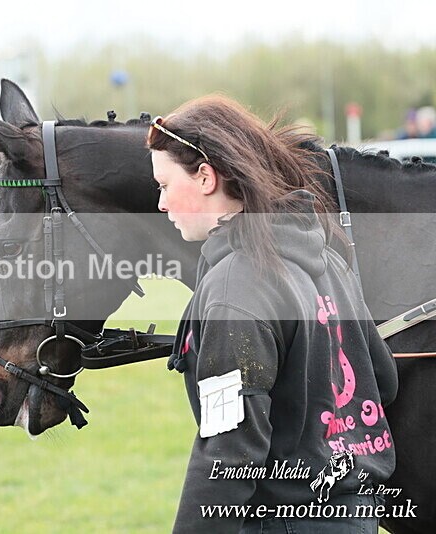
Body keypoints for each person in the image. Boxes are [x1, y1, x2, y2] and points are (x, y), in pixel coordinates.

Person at [147, 96, 397, 533]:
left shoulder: (235, 288)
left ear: (205, 176)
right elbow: (383, 379)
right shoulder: (329, 261)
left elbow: (230, 448)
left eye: (165, 185)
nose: (161, 204)